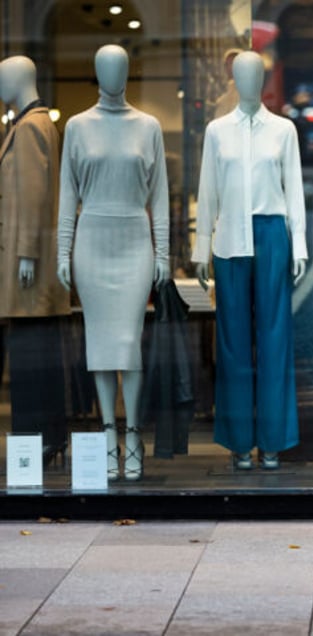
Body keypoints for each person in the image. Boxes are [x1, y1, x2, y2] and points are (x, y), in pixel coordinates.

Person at [57, 44, 170, 481]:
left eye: (120, 65)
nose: (112, 72)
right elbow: (68, 195)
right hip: (92, 240)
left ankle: (135, 432)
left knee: (129, 344)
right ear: (95, 71)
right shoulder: (77, 126)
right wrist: (63, 249)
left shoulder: (149, 126)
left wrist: (164, 253)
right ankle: (108, 432)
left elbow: (159, 196)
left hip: (134, 240)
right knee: (100, 345)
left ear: (128, 71)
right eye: (105, 65)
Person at [193, 51, 307, 470]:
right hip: (229, 237)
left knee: (276, 340)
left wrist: (299, 246)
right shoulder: (216, 131)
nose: (248, 81)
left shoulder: (283, 130)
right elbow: (208, 190)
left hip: (272, 233)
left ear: (264, 80)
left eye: (255, 74)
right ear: (233, 79)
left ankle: (273, 440)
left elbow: (293, 189)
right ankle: (240, 441)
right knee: (233, 342)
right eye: (242, 74)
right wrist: (199, 246)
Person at [0, 55, 70, 465]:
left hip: (26, 267)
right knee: (39, 354)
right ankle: (49, 439)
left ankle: (37, 441)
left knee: (29, 359)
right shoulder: (35, 124)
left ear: (17, 78)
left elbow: (33, 195)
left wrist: (26, 254)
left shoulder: (29, 128)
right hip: (31, 266)